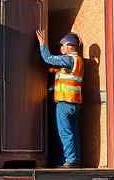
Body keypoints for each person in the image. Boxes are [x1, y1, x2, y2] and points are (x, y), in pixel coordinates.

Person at [35, 29, 84, 168]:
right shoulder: (78, 60)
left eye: (63, 45)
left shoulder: (68, 59)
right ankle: (74, 159)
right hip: (75, 102)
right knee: (73, 133)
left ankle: (70, 161)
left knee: (65, 133)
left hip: (65, 102)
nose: (61, 48)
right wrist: (52, 72)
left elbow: (48, 58)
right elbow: (64, 73)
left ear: (71, 46)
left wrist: (42, 44)